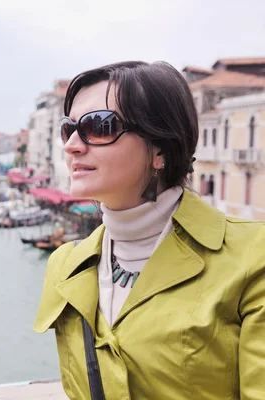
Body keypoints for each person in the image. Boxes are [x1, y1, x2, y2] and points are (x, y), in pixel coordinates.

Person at [33, 61, 265, 399]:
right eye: (69, 129)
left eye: (99, 126)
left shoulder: (253, 258)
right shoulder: (66, 265)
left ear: (159, 148)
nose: (72, 146)